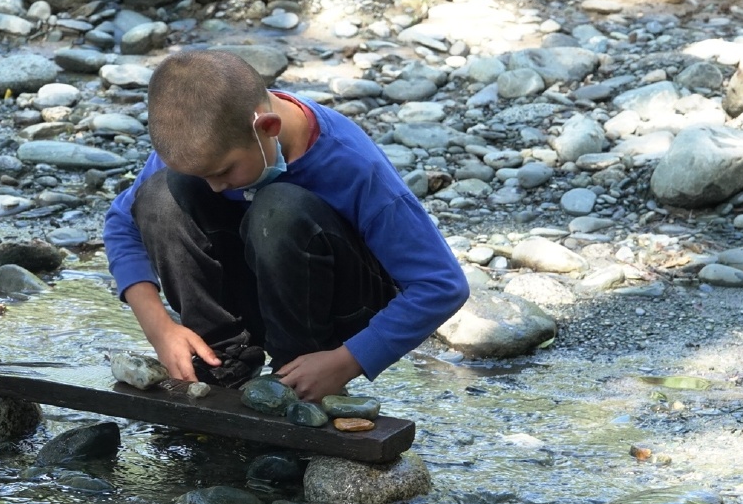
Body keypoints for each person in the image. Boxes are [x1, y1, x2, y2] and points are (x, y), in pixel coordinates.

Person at [102, 49, 469, 402]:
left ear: (268, 128)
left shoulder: (354, 165)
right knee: (163, 193)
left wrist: (347, 361)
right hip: (255, 290)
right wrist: (160, 329)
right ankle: (222, 364)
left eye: (224, 171)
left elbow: (441, 285)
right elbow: (123, 222)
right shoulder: (201, 140)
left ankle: (295, 379)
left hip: (337, 311)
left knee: (278, 208)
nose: (213, 186)